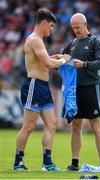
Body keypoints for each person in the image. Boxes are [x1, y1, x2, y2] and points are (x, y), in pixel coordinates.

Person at [13, 8, 70, 172]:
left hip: (43, 87)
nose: (52, 29)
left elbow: (44, 61)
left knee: (52, 124)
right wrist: (64, 60)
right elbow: (48, 65)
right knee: (29, 126)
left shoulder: (38, 40)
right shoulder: (34, 40)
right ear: (44, 23)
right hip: (34, 85)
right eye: (51, 26)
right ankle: (18, 162)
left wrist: (55, 57)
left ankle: (47, 163)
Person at [62, 13, 100, 171]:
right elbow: (63, 59)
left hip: (91, 87)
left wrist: (84, 65)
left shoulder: (95, 41)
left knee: (95, 124)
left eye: (78, 27)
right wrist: (57, 59)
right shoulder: (72, 43)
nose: (75, 30)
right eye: (73, 28)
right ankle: (74, 163)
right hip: (75, 90)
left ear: (85, 24)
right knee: (76, 125)